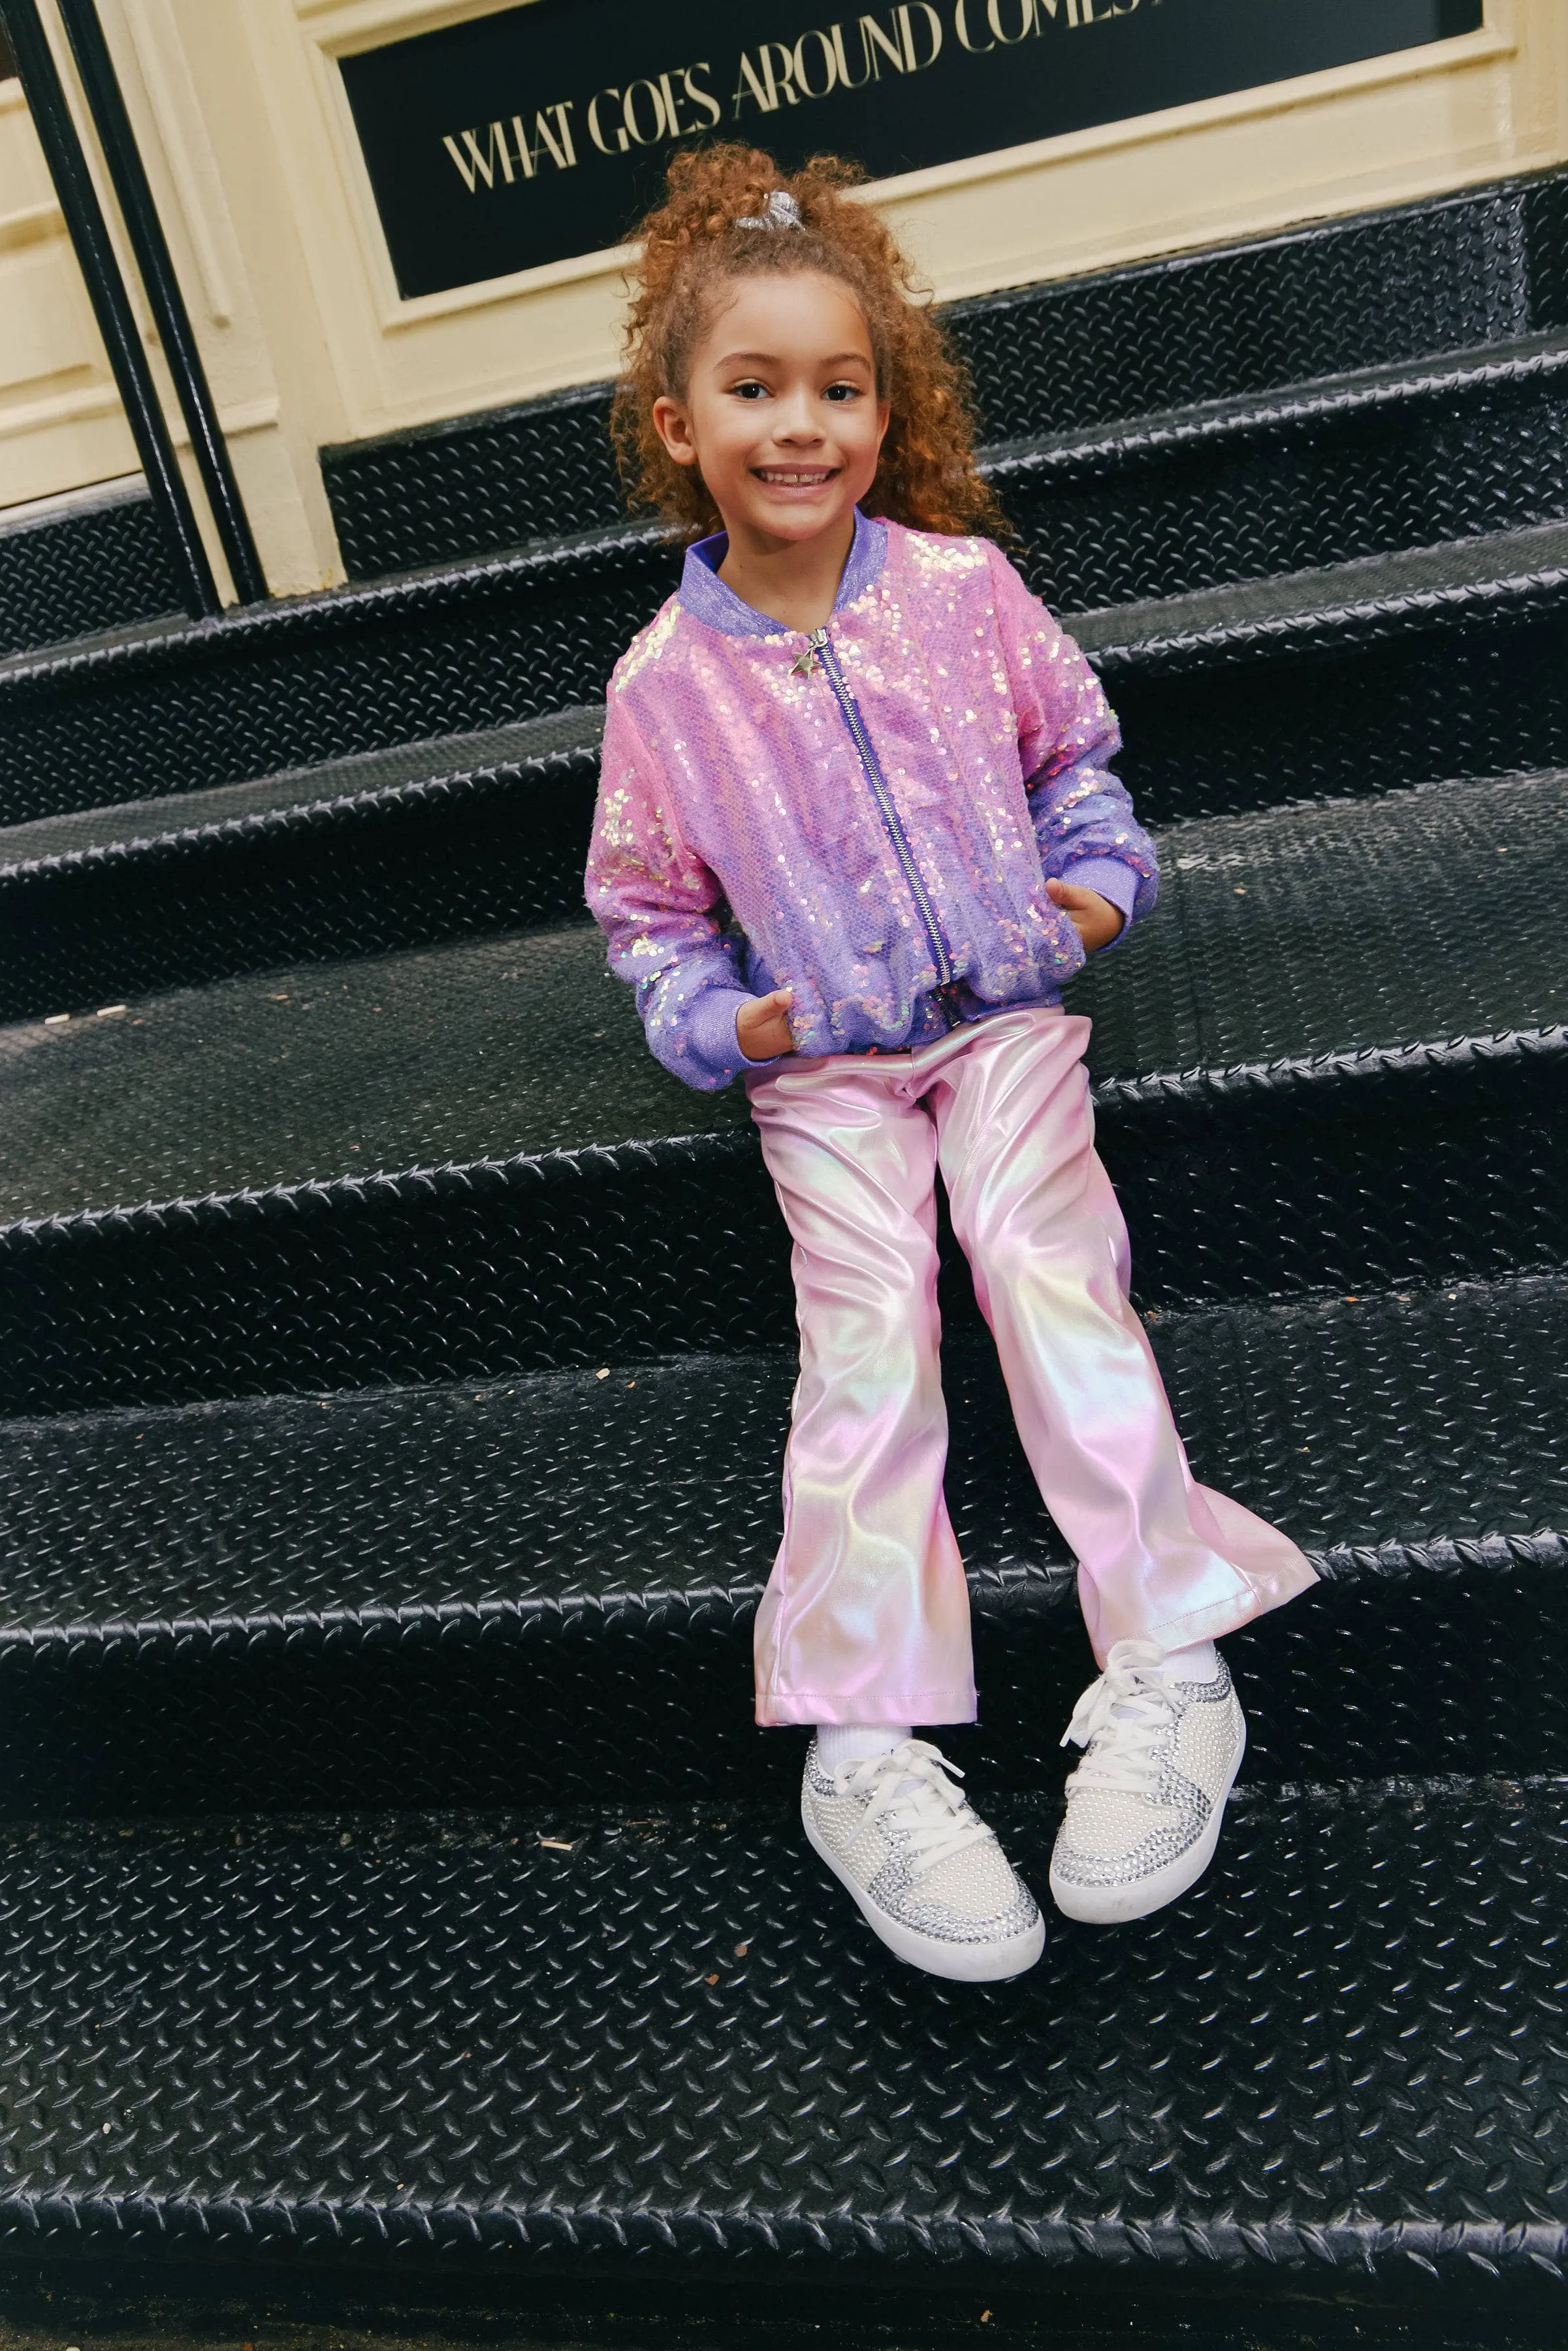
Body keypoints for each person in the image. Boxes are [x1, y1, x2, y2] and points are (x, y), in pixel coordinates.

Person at [586, 146, 1315, 1983]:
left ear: (884, 408)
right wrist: (719, 1022)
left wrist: (1087, 900)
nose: (801, 425)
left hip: (1000, 1025)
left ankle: (1168, 1656)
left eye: (839, 387)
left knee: (1048, 1272)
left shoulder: (965, 592)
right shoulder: (662, 687)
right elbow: (649, 912)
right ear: (679, 424)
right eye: (754, 390)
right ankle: (859, 1739)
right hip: (824, 1074)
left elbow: (1078, 762)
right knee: (866, 1342)